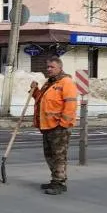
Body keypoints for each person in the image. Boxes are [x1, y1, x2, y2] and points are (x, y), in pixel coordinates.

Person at [29, 56, 78, 195]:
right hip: (47, 126)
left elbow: (70, 104)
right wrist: (35, 91)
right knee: (49, 155)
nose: (49, 69)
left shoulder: (66, 82)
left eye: (52, 67)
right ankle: (55, 179)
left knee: (59, 156)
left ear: (60, 68)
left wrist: (63, 124)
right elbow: (43, 100)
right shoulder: (49, 83)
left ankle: (59, 183)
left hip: (59, 127)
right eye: (48, 67)